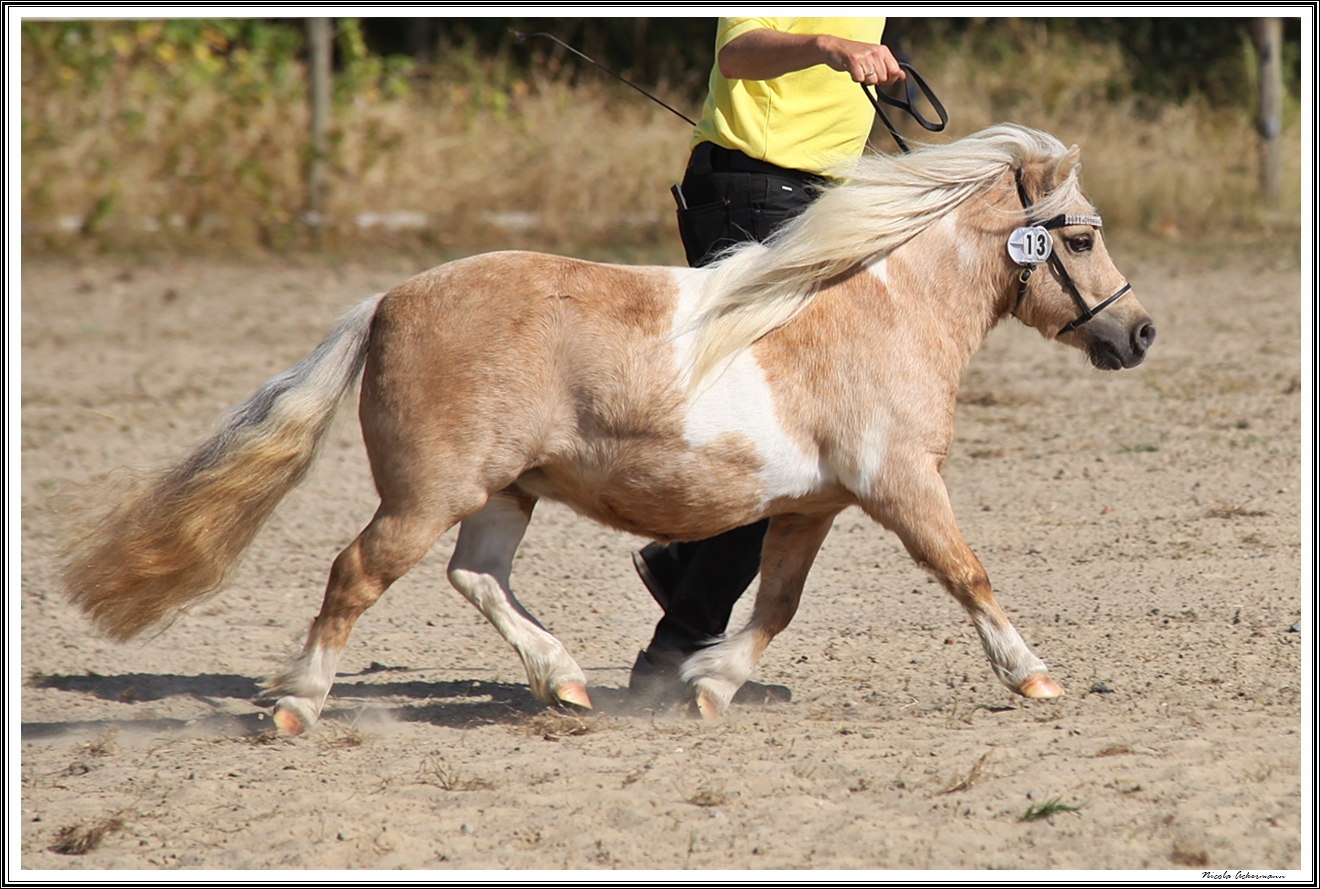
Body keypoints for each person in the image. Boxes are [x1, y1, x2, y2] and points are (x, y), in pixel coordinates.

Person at [631, 17, 906, 700]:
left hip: (816, 198)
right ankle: (677, 656)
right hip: (749, 194)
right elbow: (738, 55)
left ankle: (687, 565)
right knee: (785, 439)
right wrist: (830, 48)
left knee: (789, 432)